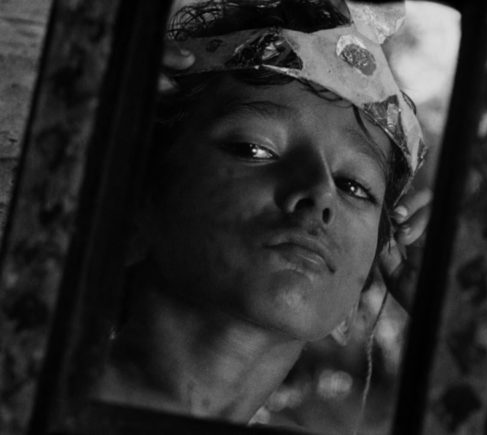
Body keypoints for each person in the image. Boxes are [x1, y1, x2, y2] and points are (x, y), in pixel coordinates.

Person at [91, 0, 431, 429]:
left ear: (358, 293)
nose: (320, 192)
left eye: (354, 186)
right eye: (255, 149)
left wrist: (463, 317)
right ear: (137, 201)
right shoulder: (29, 382)